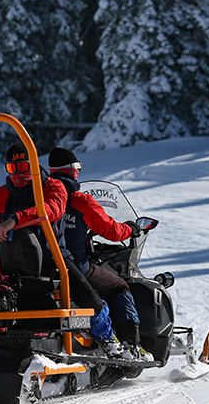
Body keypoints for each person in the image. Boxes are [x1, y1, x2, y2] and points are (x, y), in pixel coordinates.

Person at [0, 143, 120, 353]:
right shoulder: (1, 195)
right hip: (12, 266)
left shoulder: (53, 187)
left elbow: (50, 210)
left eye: (24, 167)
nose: (18, 173)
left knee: (89, 298)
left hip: (53, 259)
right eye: (12, 168)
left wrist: (15, 219)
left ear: (34, 165)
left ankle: (109, 342)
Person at [48, 147, 151, 360]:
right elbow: (110, 230)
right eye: (77, 167)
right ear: (72, 171)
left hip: (44, 266)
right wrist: (131, 229)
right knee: (119, 287)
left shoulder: (42, 198)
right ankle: (130, 345)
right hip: (76, 265)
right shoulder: (79, 199)